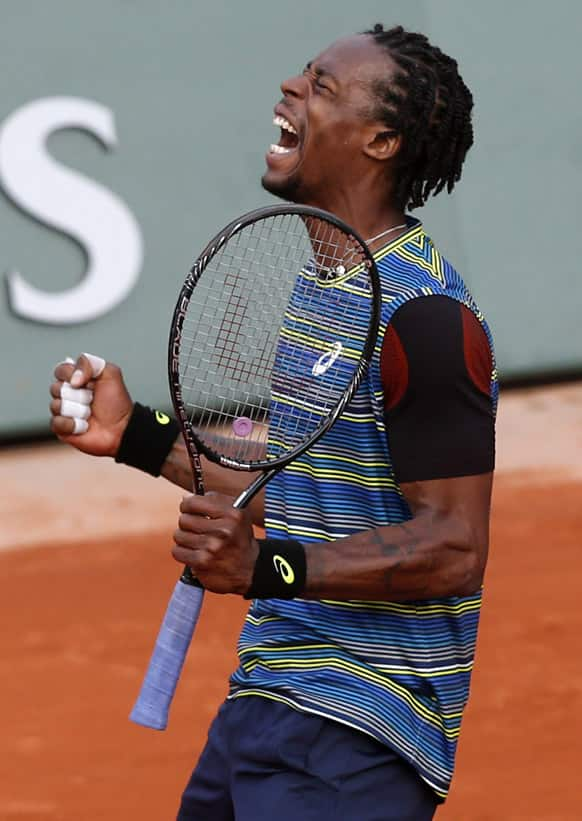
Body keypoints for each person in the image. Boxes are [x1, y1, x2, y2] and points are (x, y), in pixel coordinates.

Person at [49, 24, 496, 821]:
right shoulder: (323, 287)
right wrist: (136, 435)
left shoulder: (425, 317)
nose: (290, 89)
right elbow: (287, 487)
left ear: (381, 139)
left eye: (323, 86)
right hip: (267, 701)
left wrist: (267, 568)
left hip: (360, 728)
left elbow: (455, 546)